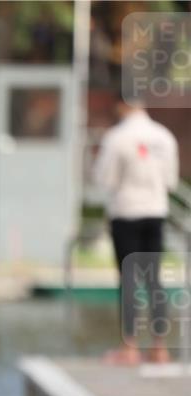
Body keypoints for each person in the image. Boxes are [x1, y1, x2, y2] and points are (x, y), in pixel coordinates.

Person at [93, 93, 179, 365]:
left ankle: (129, 347)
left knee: (129, 279)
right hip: (155, 211)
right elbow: (171, 181)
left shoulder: (116, 137)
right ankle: (159, 347)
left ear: (121, 105)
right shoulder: (164, 136)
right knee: (154, 279)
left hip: (126, 212)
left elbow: (104, 179)